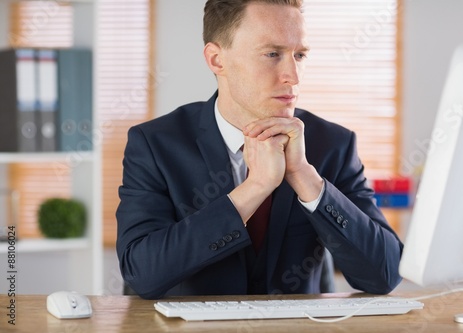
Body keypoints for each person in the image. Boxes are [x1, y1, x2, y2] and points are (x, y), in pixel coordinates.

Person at [116, 0, 403, 300]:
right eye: (272, 54)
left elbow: (385, 274)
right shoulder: (156, 145)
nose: (293, 75)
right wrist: (255, 188)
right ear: (216, 60)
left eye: (300, 55)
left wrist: (305, 178)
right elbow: (143, 274)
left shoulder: (332, 144)